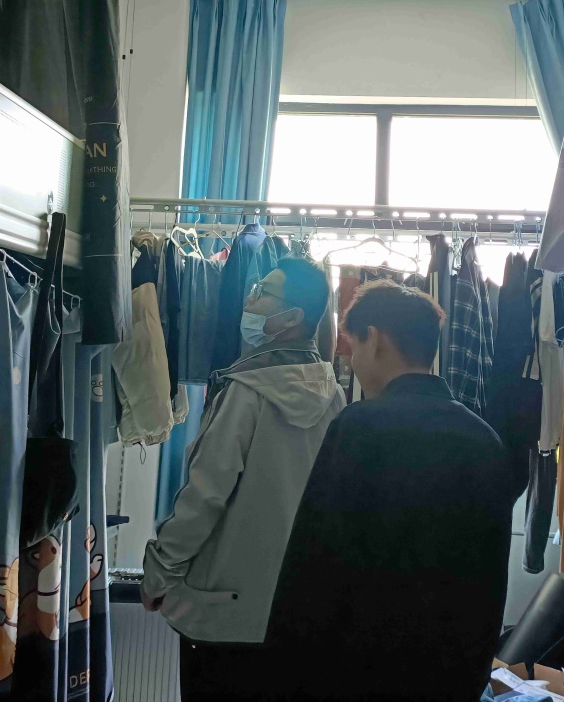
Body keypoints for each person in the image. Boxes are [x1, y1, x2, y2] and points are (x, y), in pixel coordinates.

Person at [265, 280, 514, 701]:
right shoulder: (485, 441)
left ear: (375, 339)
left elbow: (312, 565)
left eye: (354, 347)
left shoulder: (358, 428)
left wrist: (284, 670)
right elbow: (490, 588)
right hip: (449, 678)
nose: (353, 361)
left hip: (355, 674)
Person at [141, 257, 345, 701]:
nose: (249, 299)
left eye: (261, 292)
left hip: (222, 617)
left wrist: (158, 574)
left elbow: (203, 498)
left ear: (290, 318)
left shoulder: (246, 392)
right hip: (295, 613)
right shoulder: (334, 396)